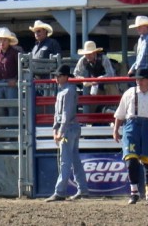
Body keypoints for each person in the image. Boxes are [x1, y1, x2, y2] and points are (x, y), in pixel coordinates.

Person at [113, 68, 148, 205]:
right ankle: (134, 192)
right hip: (132, 126)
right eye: (137, 78)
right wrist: (116, 129)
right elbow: (120, 113)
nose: (138, 81)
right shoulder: (129, 94)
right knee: (131, 160)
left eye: (141, 78)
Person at [44, 65, 89, 202]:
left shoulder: (67, 91)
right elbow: (64, 113)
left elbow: (65, 114)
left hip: (68, 128)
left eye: (58, 76)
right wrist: (56, 129)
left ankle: (60, 191)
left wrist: (59, 131)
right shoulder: (66, 90)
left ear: (65, 77)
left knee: (65, 160)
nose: (56, 78)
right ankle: (82, 189)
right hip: (71, 127)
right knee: (74, 159)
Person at [0, 27, 19, 118]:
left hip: (11, 82)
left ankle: (13, 129)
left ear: (9, 41)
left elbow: (20, 68)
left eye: (4, 40)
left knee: (12, 108)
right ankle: (1, 129)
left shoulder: (15, 52)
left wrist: (16, 80)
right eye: (0, 39)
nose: (2, 42)